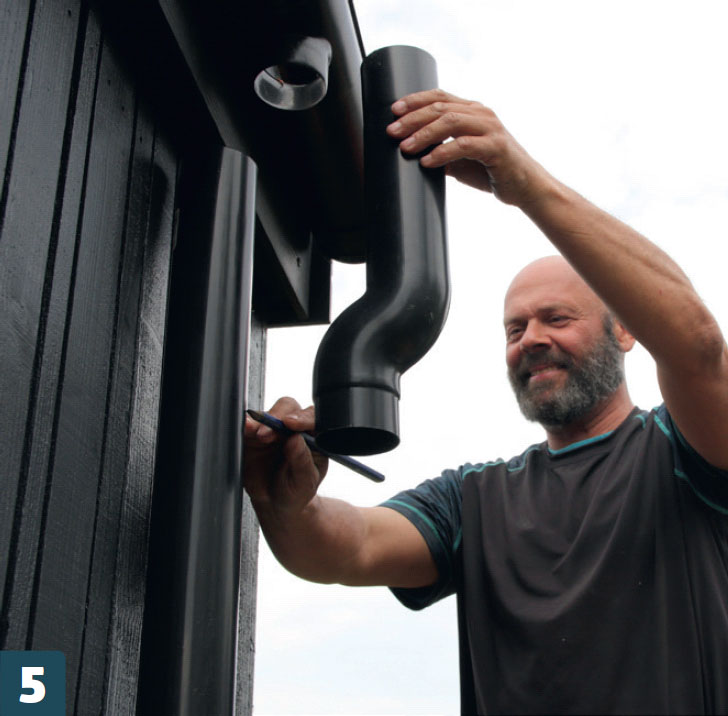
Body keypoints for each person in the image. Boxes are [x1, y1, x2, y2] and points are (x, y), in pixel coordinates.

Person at [244, 90, 728, 714]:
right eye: (514, 329)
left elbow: (699, 347)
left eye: (557, 318)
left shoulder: (686, 453)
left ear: (625, 331)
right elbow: (349, 546)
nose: (531, 340)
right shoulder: (473, 498)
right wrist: (283, 501)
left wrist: (525, 185)